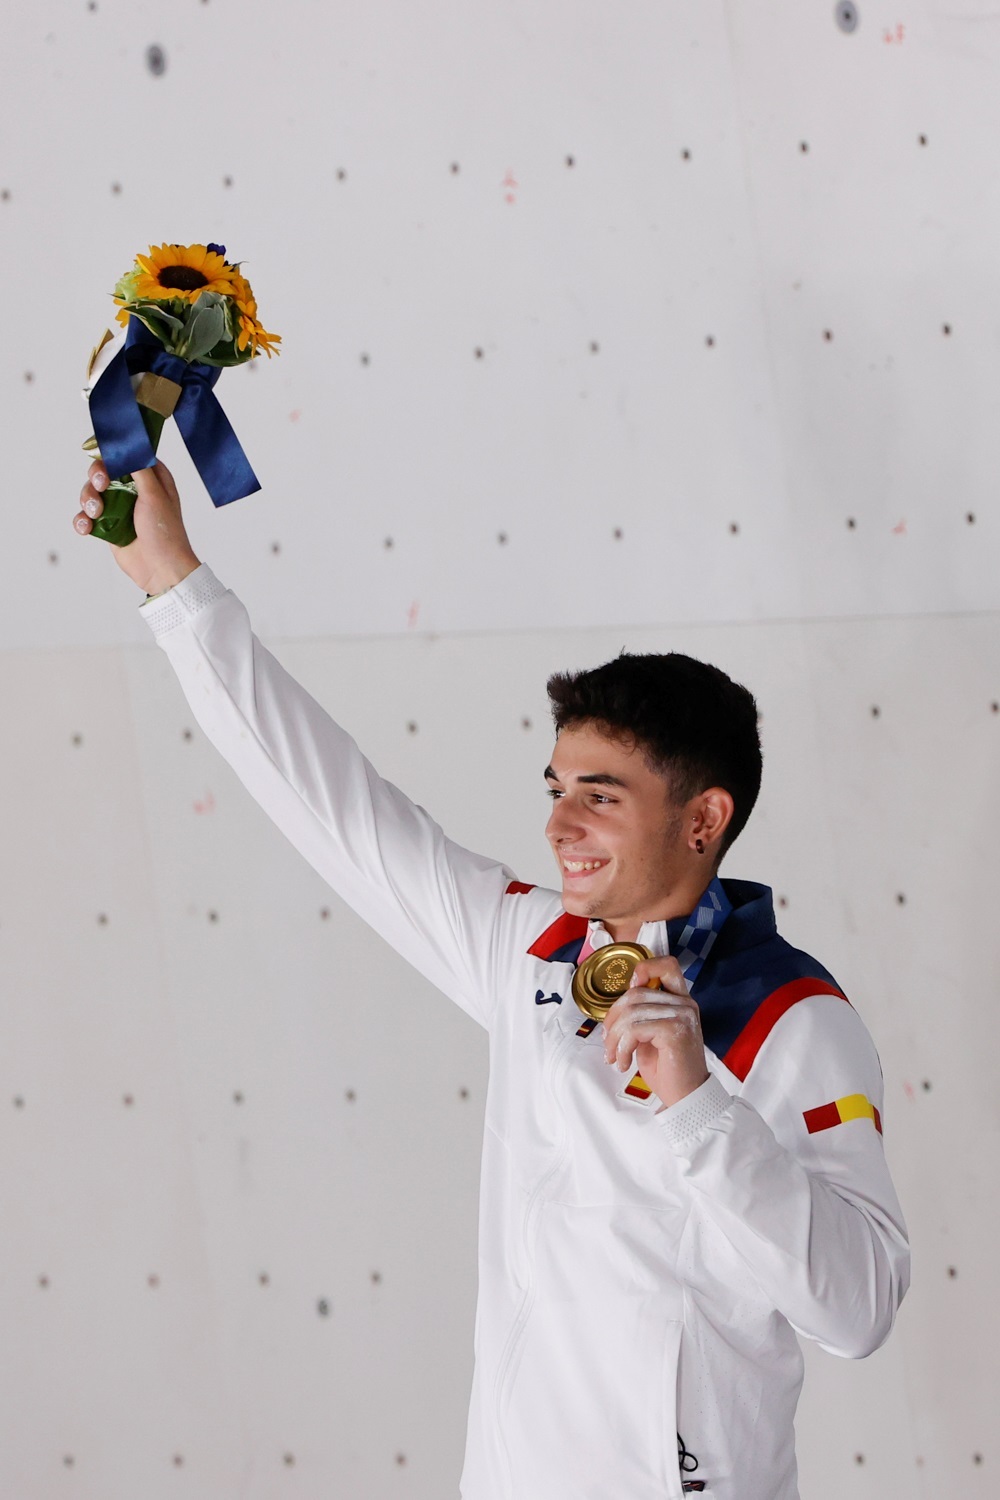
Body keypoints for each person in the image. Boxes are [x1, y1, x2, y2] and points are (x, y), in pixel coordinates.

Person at [75, 460, 910, 1500]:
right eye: (555, 789)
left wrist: (700, 1107)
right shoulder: (528, 946)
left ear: (704, 819)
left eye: (599, 798)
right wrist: (173, 582)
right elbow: (332, 806)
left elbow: (861, 1309)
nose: (559, 826)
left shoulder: (791, 1018)